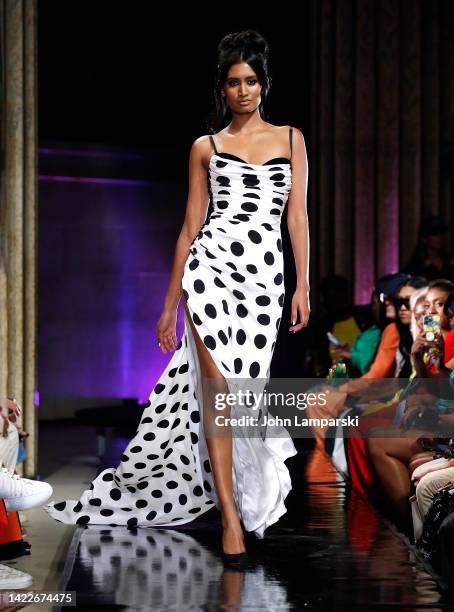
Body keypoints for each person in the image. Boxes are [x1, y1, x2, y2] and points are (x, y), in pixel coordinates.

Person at [45, 29, 310, 561]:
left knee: (241, 394)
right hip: (211, 270)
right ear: (223, 88)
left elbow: (297, 216)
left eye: (251, 81)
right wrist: (170, 303)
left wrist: (303, 281)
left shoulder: (290, 139)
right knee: (216, 392)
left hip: (264, 280)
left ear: (264, 85)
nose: (243, 91)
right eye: (234, 82)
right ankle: (231, 520)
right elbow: (190, 227)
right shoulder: (205, 147)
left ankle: (235, 497)